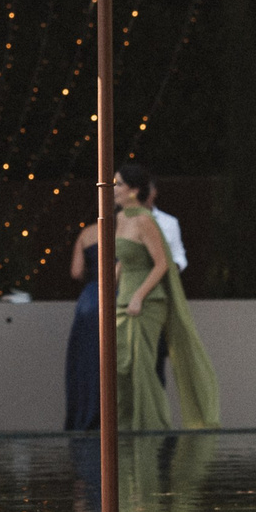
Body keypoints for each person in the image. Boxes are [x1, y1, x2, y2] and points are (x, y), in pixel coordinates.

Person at [111, 161, 219, 430]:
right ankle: (124, 425)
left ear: (134, 190)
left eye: (119, 184)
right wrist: (112, 285)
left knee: (142, 367)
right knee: (121, 366)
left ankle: (152, 427)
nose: (114, 189)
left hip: (146, 301)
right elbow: (125, 258)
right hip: (123, 299)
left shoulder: (146, 221)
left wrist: (138, 296)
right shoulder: (120, 218)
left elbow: (162, 263)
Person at [63, 221, 102, 431]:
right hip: (116, 295)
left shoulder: (87, 233)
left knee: (85, 361)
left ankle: (85, 418)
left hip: (89, 299)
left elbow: (76, 272)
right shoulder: (126, 227)